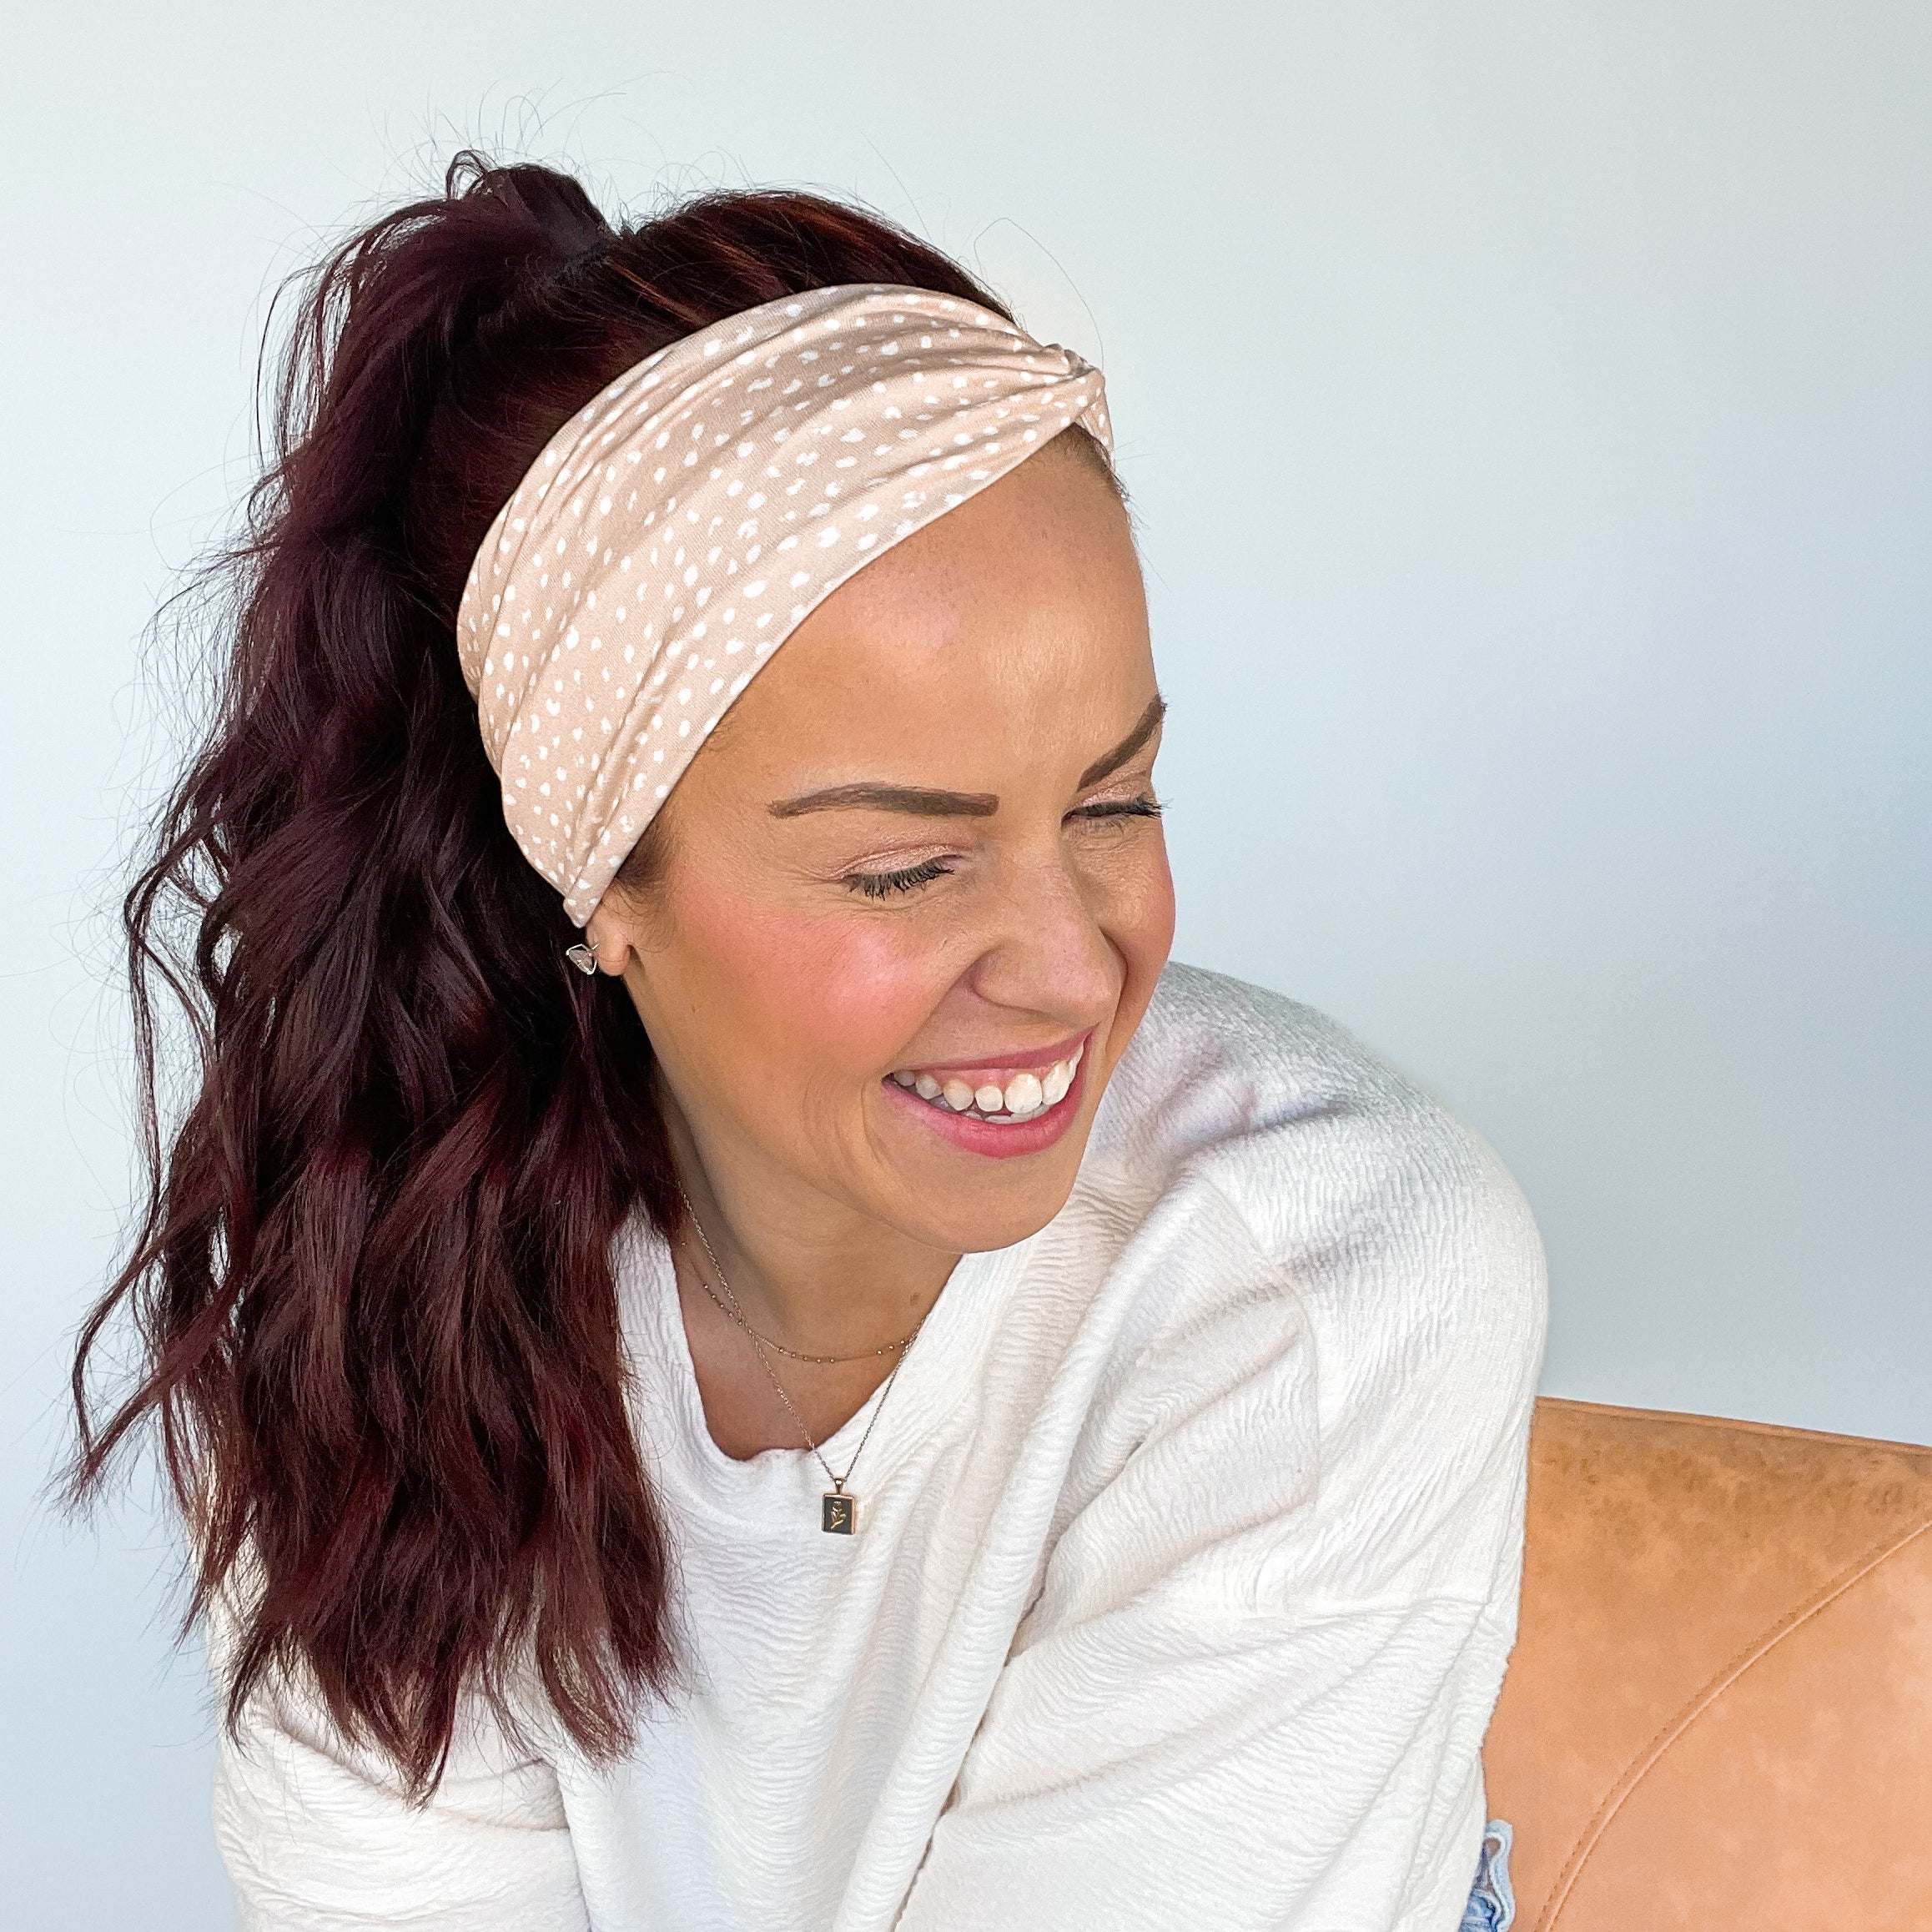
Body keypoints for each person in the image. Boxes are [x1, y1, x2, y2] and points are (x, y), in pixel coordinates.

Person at [71, 153, 1547, 1930]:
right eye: (905, 868)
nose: (1073, 970)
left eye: (1115, 801)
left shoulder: (1324, 1283)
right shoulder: (379, 1271)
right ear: (598, 880)